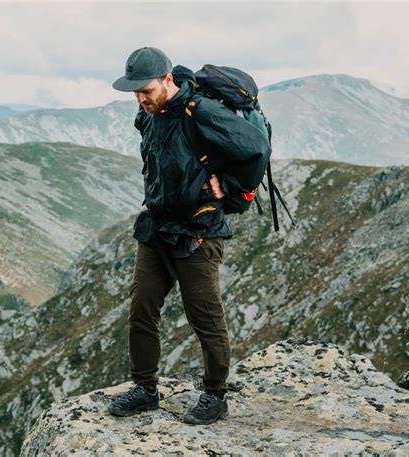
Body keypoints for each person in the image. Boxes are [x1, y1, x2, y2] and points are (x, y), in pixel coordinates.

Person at [109, 47, 270, 425]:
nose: (140, 99)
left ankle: (215, 395)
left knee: (206, 319)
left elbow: (255, 148)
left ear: (168, 80)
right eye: (134, 92)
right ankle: (145, 390)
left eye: (145, 90)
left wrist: (229, 189)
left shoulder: (200, 111)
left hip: (198, 232)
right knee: (142, 310)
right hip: (157, 227)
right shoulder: (148, 114)